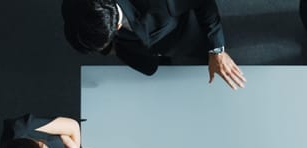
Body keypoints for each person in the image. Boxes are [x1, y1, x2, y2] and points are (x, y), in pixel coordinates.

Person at [61, 0, 246, 90]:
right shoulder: (78, 9)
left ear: (116, 26)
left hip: (191, 37)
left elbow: (203, 2)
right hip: (150, 57)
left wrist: (217, 50)